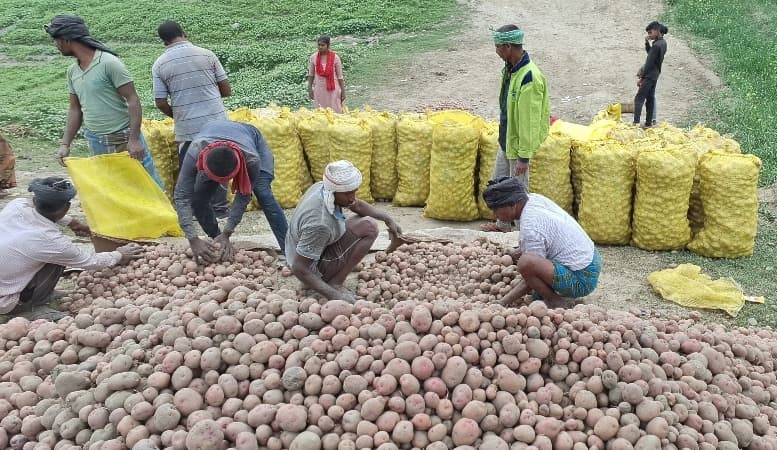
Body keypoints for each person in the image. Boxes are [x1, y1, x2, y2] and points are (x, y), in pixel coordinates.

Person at [45, 15, 163, 188]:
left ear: (67, 39)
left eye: (56, 40)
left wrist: (134, 139)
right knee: (113, 187)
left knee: (145, 184)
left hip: (123, 137)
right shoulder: (72, 71)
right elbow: (75, 109)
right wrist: (65, 144)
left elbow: (133, 100)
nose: (55, 45)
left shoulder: (109, 63)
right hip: (96, 139)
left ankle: (161, 215)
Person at [0, 177, 143, 320]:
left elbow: (43, 212)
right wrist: (119, 254)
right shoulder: (50, 241)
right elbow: (90, 261)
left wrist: (73, 223)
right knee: (58, 258)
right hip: (6, 300)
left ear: (36, 200)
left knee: (50, 256)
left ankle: (39, 292)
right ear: (66, 207)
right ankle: (28, 306)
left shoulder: (17, 205)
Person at [174, 120, 288, 263]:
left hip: (250, 137)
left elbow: (243, 196)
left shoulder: (251, 159)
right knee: (199, 198)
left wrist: (228, 231)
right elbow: (182, 196)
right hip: (213, 134)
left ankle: (288, 249)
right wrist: (192, 238)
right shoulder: (195, 151)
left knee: (263, 193)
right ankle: (216, 239)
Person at [286, 160, 401, 302]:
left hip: (315, 245)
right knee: (370, 228)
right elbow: (299, 268)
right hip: (311, 265)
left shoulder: (323, 187)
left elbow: (357, 205)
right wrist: (334, 296)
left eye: (354, 191)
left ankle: (333, 275)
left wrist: (387, 218)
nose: (352, 197)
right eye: (348, 194)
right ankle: (335, 283)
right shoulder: (319, 223)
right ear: (334, 191)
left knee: (368, 224)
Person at [153, 20, 232, 216]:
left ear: (164, 41)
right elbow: (226, 90)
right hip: (217, 125)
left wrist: (179, 115)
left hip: (187, 128)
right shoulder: (207, 54)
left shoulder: (160, 64)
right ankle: (220, 210)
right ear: (184, 33)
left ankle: (197, 212)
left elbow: (160, 102)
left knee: (191, 171)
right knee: (219, 164)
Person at [483, 177, 601, 308]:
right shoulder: (533, 199)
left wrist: (503, 302)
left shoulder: (530, 228)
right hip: (591, 259)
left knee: (525, 263)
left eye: (496, 210)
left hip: (581, 280)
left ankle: (555, 300)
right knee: (525, 259)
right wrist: (516, 253)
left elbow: (529, 269)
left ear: (512, 205)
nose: (495, 215)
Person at [481, 24, 550, 233]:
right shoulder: (511, 70)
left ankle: (524, 235)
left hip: (519, 144)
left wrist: (524, 156)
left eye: (497, 46)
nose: (495, 51)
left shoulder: (529, 77)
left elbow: (529, 121)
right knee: (498, 185)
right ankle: (503, 225)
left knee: (518, 194)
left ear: (508, 47)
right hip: (507, 138)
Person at [634, 21, 668, 128]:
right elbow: (651, 54)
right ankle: (648, 123)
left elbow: (649, 63)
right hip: (655, 74)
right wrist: (646, 43)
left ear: (657, 31)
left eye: (650, 32)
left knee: (639, 98)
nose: (649, 35)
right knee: (650, 98)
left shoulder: (657, 45)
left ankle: (636, 123)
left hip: (649, 75)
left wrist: (641, 78)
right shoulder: (662, 43)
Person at [307, 36, 346, 113]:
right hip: (319, 90)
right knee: (321, 112)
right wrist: (310, 89)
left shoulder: (335, 57)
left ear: (328, 45)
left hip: (333, 89)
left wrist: (343, 91)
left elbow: (340, 77)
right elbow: (311, 75)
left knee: (335, 111)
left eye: (323, 45)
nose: (320, 47)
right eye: (319, 45)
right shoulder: (313, 57)